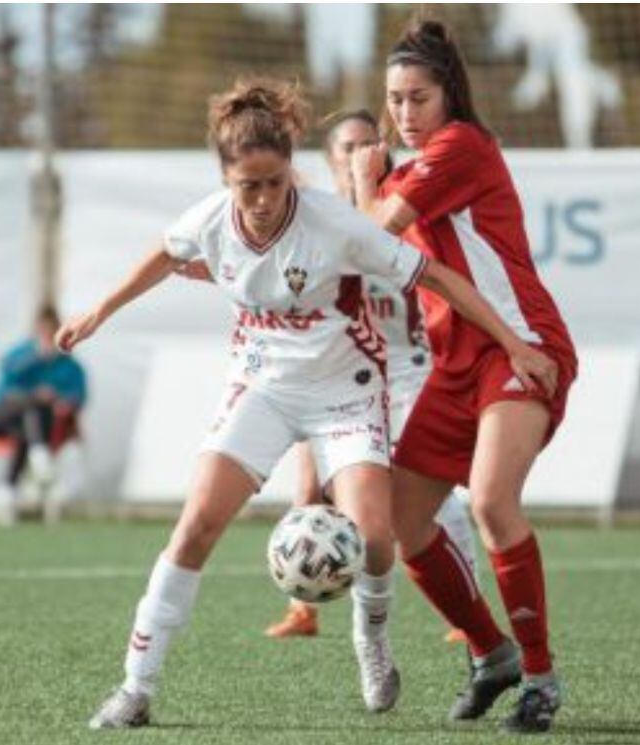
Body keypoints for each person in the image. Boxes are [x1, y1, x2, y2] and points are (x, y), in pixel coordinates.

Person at [60, 76, 558, 730]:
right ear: (226, 180)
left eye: (275, 182)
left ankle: (370, 638)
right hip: (261, 389)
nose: (264, 199)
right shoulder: (209, 219)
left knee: (377, 537)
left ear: (291, 170)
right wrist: (101, 309)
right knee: (195, 526)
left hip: (345, 396)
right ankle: (135, 685)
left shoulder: (334, 223)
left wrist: (512, 341)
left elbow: (434, 273)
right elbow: (163, 253)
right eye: (249, 186)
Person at [350, 20, 577, 734]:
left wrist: (361, 178)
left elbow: (369, 238)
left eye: (419, 97)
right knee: (400, 522)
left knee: (489, 501)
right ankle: (491, 652)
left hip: (521, 347)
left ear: (450, 97)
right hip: (455, 364)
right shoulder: (413, 165)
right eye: (394, 100)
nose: (405, 113)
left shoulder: (461, 147)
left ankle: (540, 677)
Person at [259, 109, 479, 642]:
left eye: (367, 144)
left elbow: (377, 248)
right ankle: (302, 609)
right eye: (347, 146)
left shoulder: (402, 211)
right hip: (338, 371)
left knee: (427, 488)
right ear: (331, 158)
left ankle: (464, 609)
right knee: (308, 486)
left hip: (404, 372)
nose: (359, 153)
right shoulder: (313, 214)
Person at [0, 304, 86, 526]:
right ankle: (40, 456)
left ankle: (6, 491)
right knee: (31, 404)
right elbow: (7, 376)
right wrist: (38, 358)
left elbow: (79, 395)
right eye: (43, 329)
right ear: (37, 329)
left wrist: (59, 400)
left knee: (28, 425)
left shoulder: (70, 365)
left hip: (31, 427)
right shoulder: (22, 353)